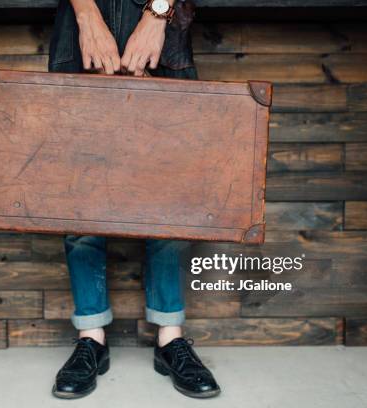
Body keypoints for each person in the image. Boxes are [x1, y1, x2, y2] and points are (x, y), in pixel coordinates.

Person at [48, 0, 221, 399]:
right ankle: (91, 337)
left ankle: (170, 339)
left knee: (168, 187)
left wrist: (156, 15)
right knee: (80, 187)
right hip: (79, 24)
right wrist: (87, 15)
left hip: (160, 20)